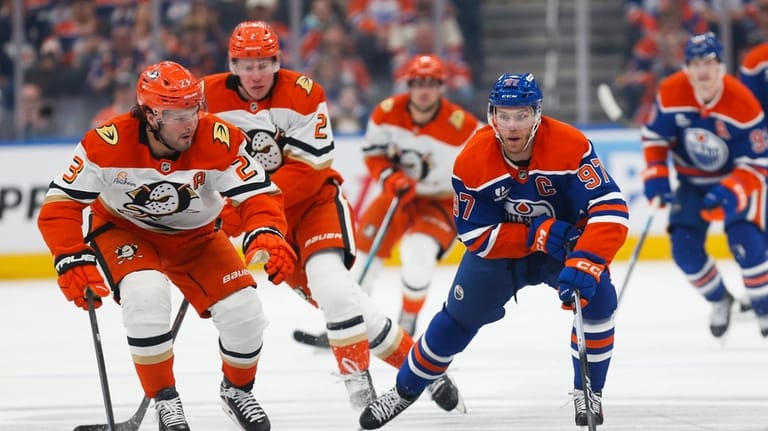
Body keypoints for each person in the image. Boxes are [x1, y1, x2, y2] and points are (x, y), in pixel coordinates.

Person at [200, 20, 463, 413]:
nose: (256, 74)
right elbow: (195, 161)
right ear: (232, 64)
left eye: (264, 64)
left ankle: (358, 388)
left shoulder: (304, 93)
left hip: (313, 206)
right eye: (247, 65)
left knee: (334, 287)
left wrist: (246, 208)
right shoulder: (206, 96)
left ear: (278, 60)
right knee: (350, 304)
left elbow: (310, 168)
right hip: (267, 224)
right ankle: (426, 372)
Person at [357, 72, 630, 430]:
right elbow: (476, 236)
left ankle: (589, 391)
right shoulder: (472, 160)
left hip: (565, 246)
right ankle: (405, 390)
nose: (513, 125)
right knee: (456, 320)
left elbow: (610, 207)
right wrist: (539, 235)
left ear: (537, 114)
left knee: (599, 300)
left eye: (521, 115)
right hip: (504, 253)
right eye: (505, 114)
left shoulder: (570, 145)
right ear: (492, 115)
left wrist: (588, 259)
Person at [37, 60, 297, 431]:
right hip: (126, 231)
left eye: (193, 109)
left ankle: (237, 391)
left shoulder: (219, 137)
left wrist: (266, 231)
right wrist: (69, 255)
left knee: (245, 312)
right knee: (146, 295)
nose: (189, 122)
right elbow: (60, 205)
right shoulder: (106, 143)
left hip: (198, 236)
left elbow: (258, 195)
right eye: (176, 114)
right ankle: (165, 400)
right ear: (149, 115)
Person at [642, 31, 768, 338]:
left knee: (747, 244)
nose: (702, 71)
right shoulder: (671, 92)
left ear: (721, 66)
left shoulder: (743, 103)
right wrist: (656, 172)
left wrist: (729, 191)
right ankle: (720, 299)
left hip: (736, 181)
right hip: (692, 183)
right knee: (684, 249)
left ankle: (764, 306)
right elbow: (655, 137)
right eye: (695, 63)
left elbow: (759, 163)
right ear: (686, 67)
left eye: (709, 62)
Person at [352, 54, 480, 335]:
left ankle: (407, 324)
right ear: (407, 84)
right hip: (399, 193)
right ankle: (351, 320)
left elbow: (488, 158)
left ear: (441, 87)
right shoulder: (386, 113)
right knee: (361, 256)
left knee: (418, 253)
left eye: (431, 83)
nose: (424, 90)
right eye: (418, 83)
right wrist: (391, 177)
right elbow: (373, 154)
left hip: (442, 200)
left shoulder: (463, 125)